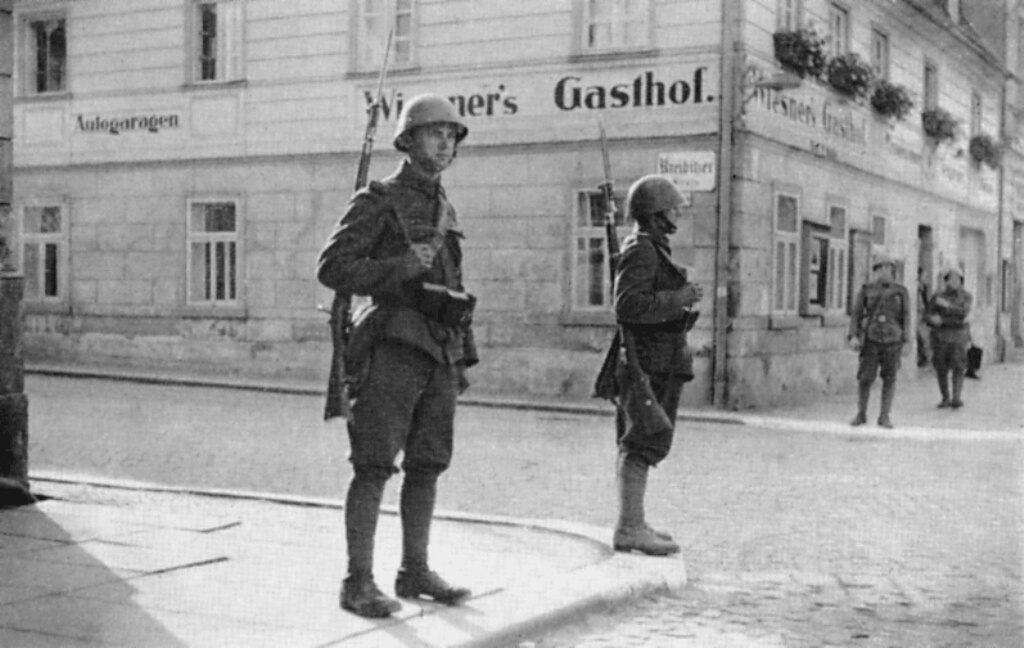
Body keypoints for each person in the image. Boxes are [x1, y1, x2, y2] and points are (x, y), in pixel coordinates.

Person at [317, 94, 477, 618]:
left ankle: (414, 569)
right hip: (392, 345)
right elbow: (334, 267)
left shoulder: (443, 203)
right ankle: (357, 581)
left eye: (452, 136)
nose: (445, 143)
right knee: (373, 465)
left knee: (428, 465)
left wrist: (462, 354)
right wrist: (402, 266)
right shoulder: (379, 199)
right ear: (408, 140)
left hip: (439, 350)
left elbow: (452, 280)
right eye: (436, 133)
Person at [611, 175, 702, 556]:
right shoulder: (643, 250)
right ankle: (629, 527)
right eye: (670, 208)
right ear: (654, 213)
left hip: (659, 360)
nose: (675, 214)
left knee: (645, 440)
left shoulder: (650, 248)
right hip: (648, 364)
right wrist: (678, 298)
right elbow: (627, 306)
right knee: (641, 441)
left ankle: (634, 521)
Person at [847, 255, 912, 429]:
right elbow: (856, 314)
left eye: (889, 268)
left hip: (893, 340)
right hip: (871, 339)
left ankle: (884, 415)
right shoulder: (866, 290)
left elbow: (906, 316)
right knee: (865, 377)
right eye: (882, 268)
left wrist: (906, 341)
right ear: (875, 270)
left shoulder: (901, 291)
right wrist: (853, 335)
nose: (886, 271)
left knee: (890, 378)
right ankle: (861, 413)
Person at [926, 265, 972, 408]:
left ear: (961, 280)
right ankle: (945, 397)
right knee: (941, 368)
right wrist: (932, 319)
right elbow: (928, 314)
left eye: (957, 278)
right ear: (946, 280)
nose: (954, 281)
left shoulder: (966, 296)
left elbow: (962, 314)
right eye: (951, 278)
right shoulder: (938, 296)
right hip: (941, 337)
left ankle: (956, 398)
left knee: (958, 367)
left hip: (958, 336)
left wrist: (945, 308)